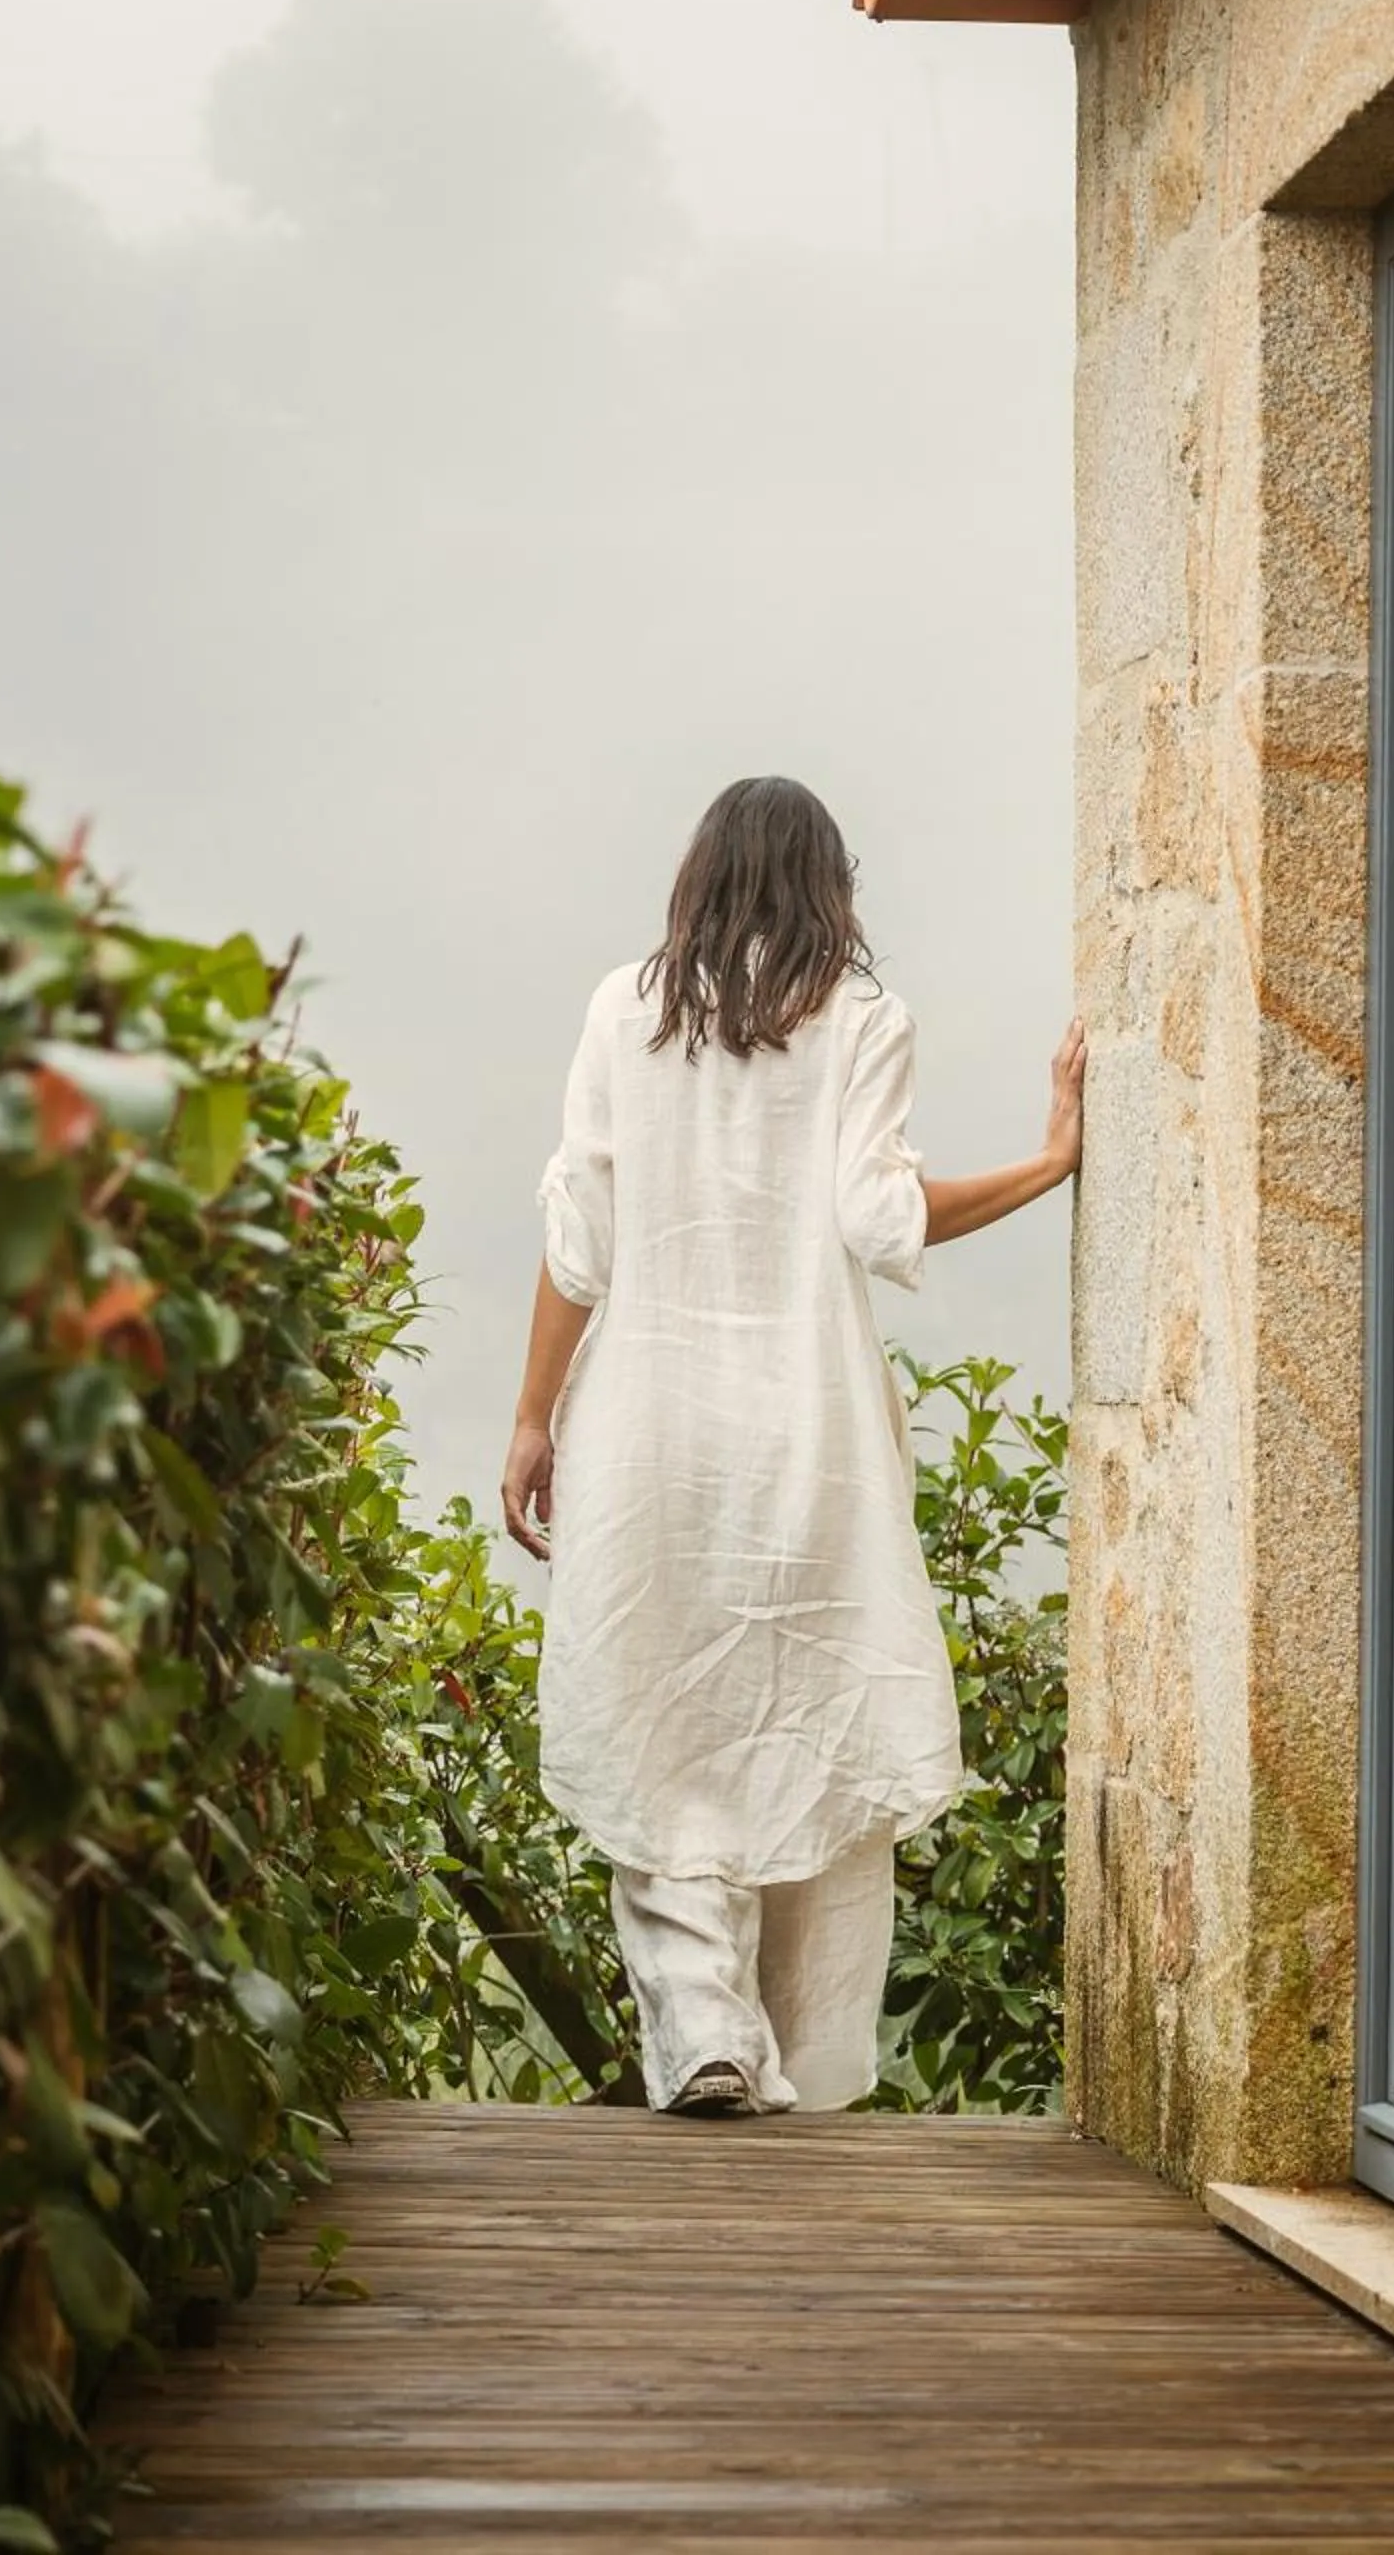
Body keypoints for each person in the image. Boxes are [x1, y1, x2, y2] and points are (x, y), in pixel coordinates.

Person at [500, 774, 1086, 2118]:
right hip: (804, 1433)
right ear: (830, 883)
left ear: (700, 875)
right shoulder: (863, 1019)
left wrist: (536, 1416)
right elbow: (882, 1221)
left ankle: (704, 2032)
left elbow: (577, 1240)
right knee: (813, 1721)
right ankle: (807, 2072)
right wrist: (1050, 1164)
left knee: (663, 1723)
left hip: (648, 1427)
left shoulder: (619, 1009)